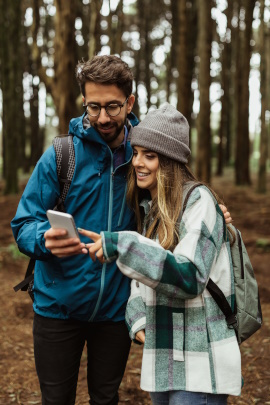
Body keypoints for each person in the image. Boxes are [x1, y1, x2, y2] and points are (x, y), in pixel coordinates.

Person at [11, 55, 231, 405]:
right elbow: (23, 224)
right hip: (58, 307)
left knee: (105, 397)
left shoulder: (143, 154)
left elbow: (172, 203)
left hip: (114, 308)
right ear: (83, 100)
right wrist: (43, 240)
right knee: (55, 398)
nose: (102, 117)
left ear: (129, 102)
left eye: (112, 107)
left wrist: (211, 213)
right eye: (93, 106)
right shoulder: (61, 155)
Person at [79, 104, 242, 405]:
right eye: (137, 152)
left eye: (149, 156)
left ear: (170, 161)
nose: (138, 162)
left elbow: (188, 276)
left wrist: (125, 245)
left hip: (199, 364)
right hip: (163, 357)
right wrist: (138, 320)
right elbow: (142, 280)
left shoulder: (200, 202)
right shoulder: (151, 212)